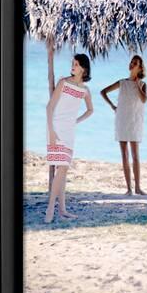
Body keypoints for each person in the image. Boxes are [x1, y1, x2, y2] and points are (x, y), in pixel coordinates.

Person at [45, 54, 93, 223]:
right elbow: (49, 107)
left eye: (76, 64)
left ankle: (62, 209)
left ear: (84, 69)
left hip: (69, 131)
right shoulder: (63, 83)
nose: (73, 66)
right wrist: (51, 131)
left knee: (63, 170)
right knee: (62, 168)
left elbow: (90, 110)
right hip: (56, 128)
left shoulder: (85, 90)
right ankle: (50, 208)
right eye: (72, 63)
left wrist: (76, 121)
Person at [100, 55, 147, 195]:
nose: (132, 65)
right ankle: (129, 189)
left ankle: (138, 187)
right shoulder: (122, 82)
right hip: (121, 119)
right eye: (132, 62)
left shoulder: (142, 84)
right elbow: (103, 92)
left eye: (136, 64)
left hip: (135, 121)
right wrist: (113, 106)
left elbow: (144, 100)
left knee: (135, 155)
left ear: (140, 68)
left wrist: (138, 85)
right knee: (124, 154)